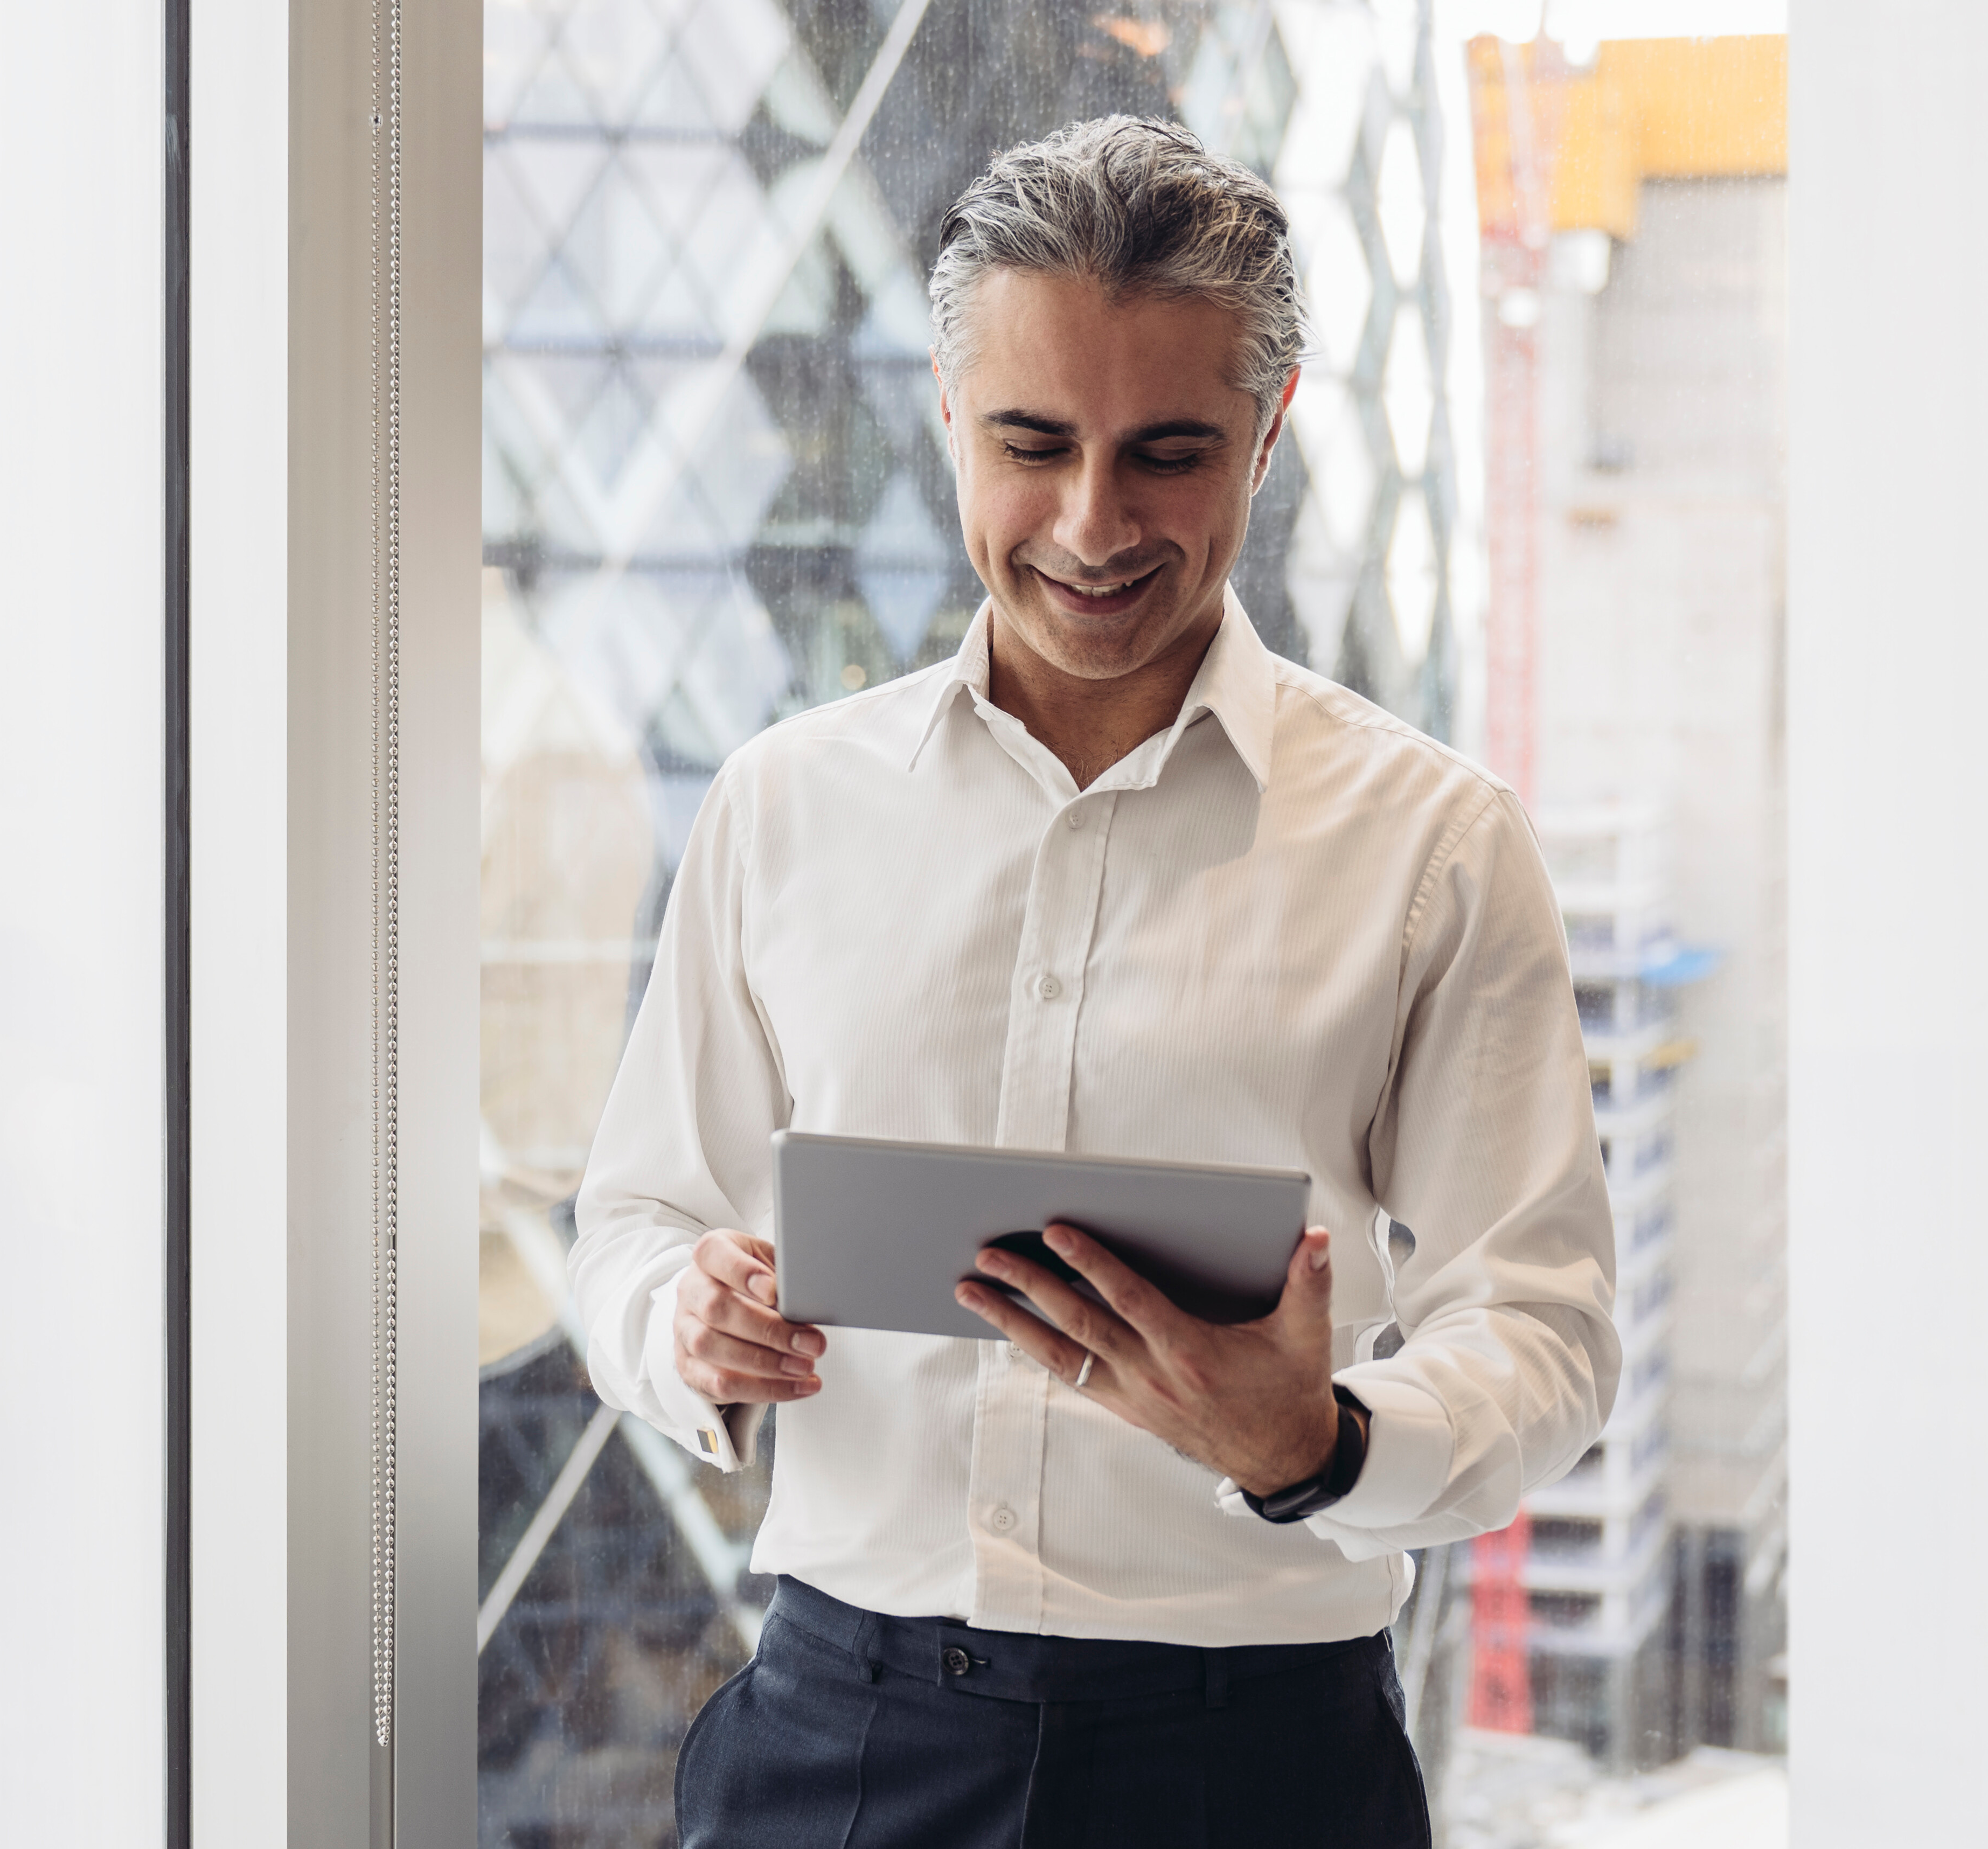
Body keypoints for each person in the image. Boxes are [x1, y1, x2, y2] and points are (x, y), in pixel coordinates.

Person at [565, 116, 1619, 1848]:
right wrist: (682, 1321)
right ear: (944, 419)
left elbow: (1545, 1329)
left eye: (1168, 454)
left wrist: (1326, 1442)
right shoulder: (784, 803)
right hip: (842, 1738)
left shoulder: (1434, 844)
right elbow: (630, 1222)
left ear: (1269, 436)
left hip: (1250, 1764)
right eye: (1031, 443)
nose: (1087, 522)